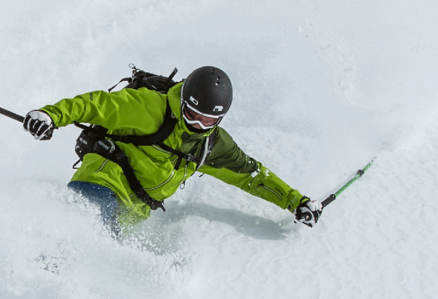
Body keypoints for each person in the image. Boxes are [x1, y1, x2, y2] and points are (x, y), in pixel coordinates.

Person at [22, 65, 322, 235]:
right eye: (191, 114)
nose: (197, 125)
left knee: (97, 251)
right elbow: (95, 105)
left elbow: (250, 174)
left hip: (133, 211)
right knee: (77, 232)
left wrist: (295, 201)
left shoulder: (210, 144)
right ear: (183, 102)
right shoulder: (149, 108)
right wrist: (50, 116)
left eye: (209, 120)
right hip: (103, 181)